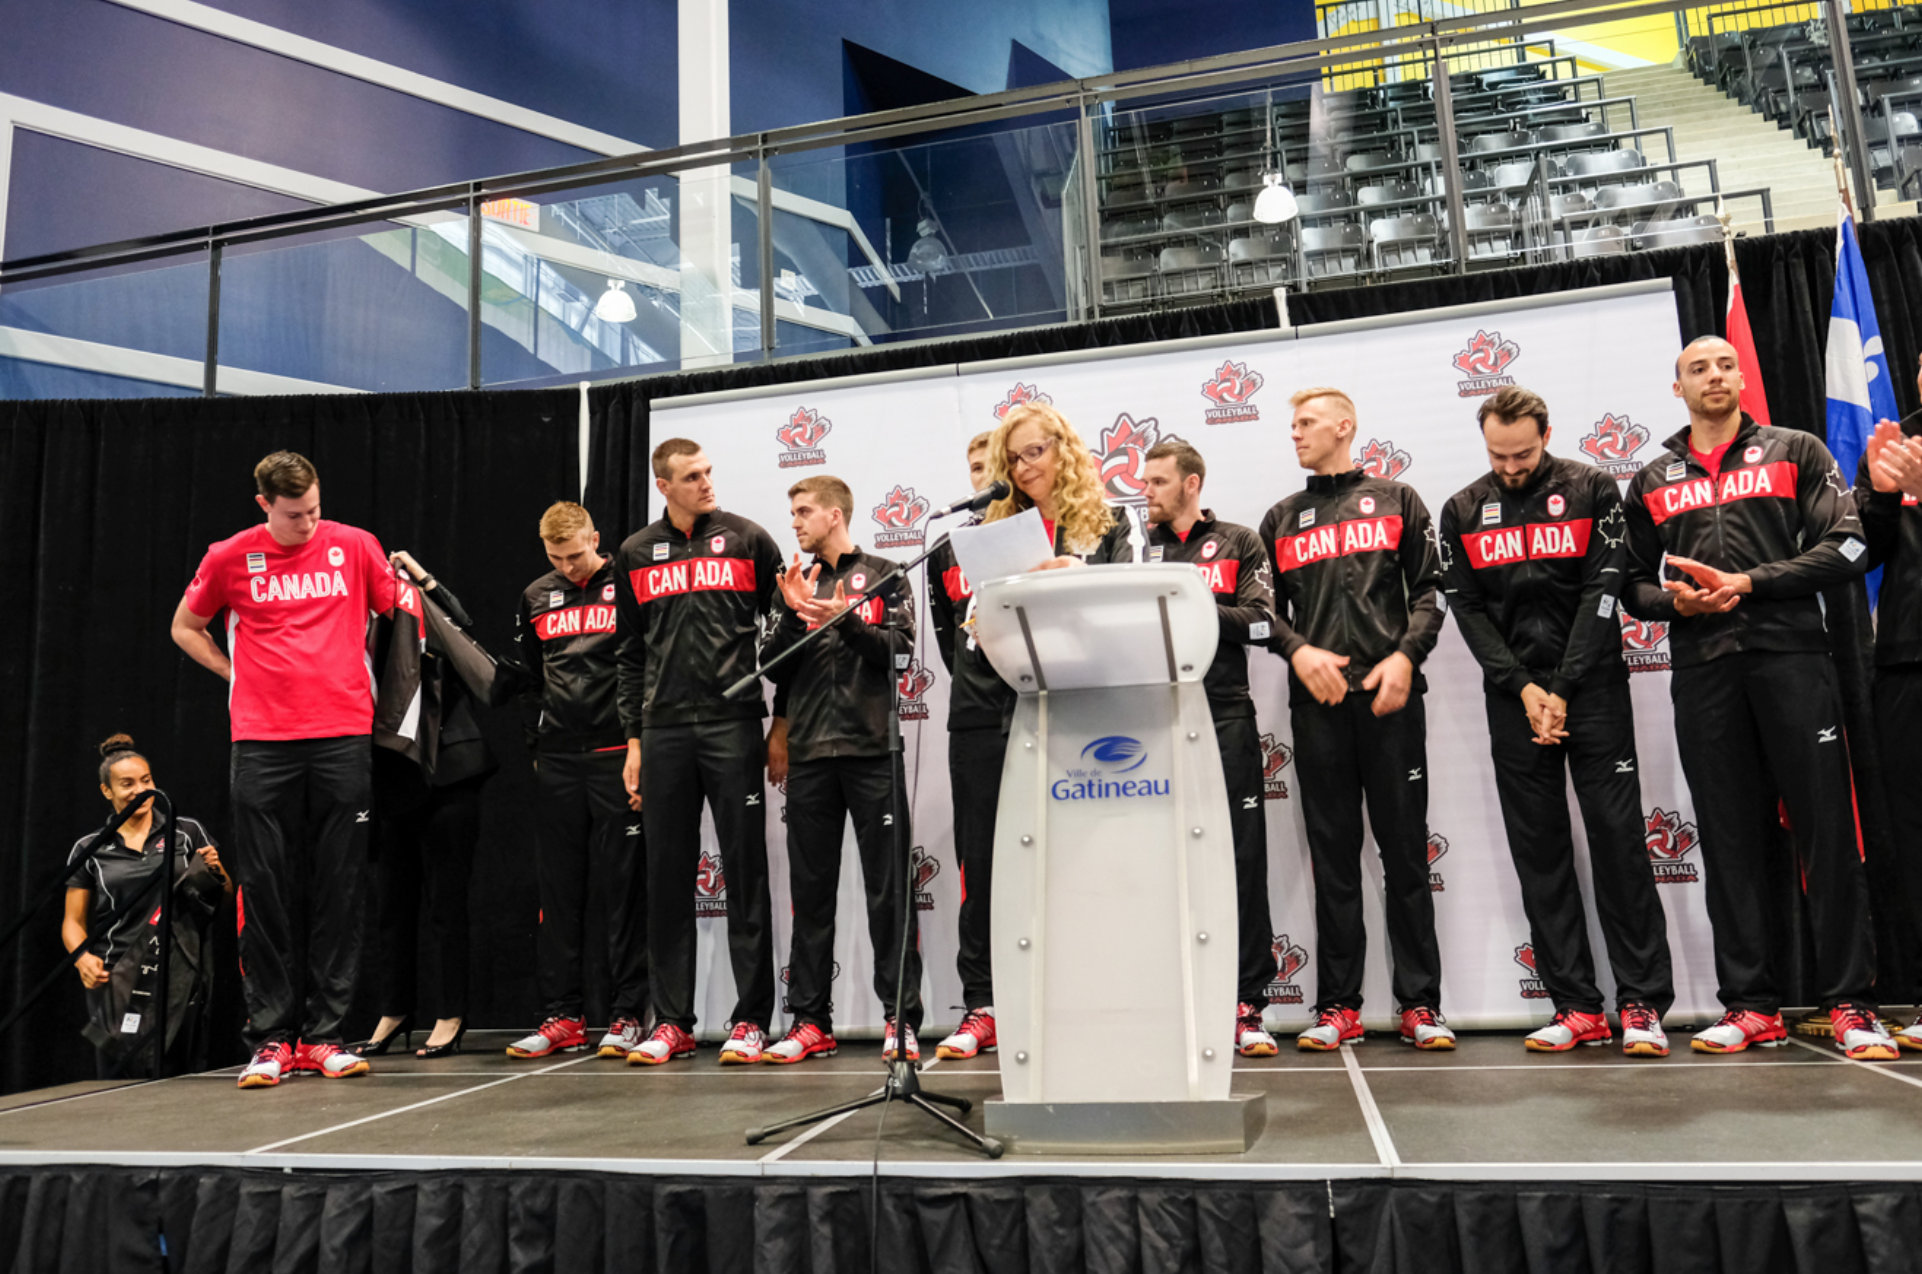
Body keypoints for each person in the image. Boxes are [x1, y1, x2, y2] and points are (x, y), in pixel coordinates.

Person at [1621, 336, 1892, 1060]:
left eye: (1724, 365)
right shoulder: (1651, 476)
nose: (1714, 375)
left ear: (1742, 376)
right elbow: (1630, 584)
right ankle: (1749, 1006)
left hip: (1793, 660)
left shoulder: (1795, 450)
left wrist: (1750, 583)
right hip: (1703, 671)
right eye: (1697, 369)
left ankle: (1851, 1003)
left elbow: (1850, 546)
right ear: (1677, 388)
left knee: (1827, 831)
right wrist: (1676, 603)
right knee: (1728, 837)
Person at [1437, 386, 1676, 1057]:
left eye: (1522, 454)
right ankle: (1576, 1007)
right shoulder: (1461, 509)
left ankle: (1641, 1003)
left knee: (1619, 843)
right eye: (1498, 456)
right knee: (1539, 854)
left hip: (1592, 689)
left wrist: (1564, 686)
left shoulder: (1593, 488)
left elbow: (1604, 590)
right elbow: (1467, 610)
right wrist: (1523, 688)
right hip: (1514, 700)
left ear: (1546, 435)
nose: (1511, 467)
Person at [170, 450, 396, 1088]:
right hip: (263, 743)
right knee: (266, 891)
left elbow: (400, 617)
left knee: (339, 888)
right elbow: (185, 626)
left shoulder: (355, 545)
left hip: (343, 736)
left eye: (315, 510)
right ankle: (271, 1039)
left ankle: (325, 1037)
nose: (308, 523)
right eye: (295, 515)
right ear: (264, 504)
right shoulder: (229, 556)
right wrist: (235, 674)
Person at [1258, 388, 1454, 1051]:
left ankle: (1420, 1005)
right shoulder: (1282, 518)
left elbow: (1432, 591)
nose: (1295, 433)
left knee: (1406, 856)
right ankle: (1339, 1006)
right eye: (1292, 425)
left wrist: (1405, 656)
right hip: (1317, 709)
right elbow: (1263, 611)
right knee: (1334, 860)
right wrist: (1297, 649)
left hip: (1390, 700)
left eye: (1307, 423)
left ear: (1345, 426)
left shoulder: (1398, 500)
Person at [615, 440, 782, 1066]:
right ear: (664, 486)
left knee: (745, 873)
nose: (707, 483)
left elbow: (787, 633)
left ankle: (751, 1021)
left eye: (709, 472)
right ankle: (672, 1023)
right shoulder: (635, 552)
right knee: (665, 879)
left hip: (732, 725)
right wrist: (634, 739)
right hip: (662, 733)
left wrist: (783, 722)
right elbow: (629, 654)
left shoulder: (749, 540)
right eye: (692, 476)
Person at [760, 477, 923, 1063]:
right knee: (810, 895)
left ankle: (899, 1020)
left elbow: (901, 654)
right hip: (809, 755)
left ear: (835, 515)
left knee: (889, 894)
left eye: (804, 511)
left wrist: (845, 620)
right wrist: (794, 615)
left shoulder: (885, 573)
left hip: (872, 751)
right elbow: (771, 666)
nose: (795, 522)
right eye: (792, 512)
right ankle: (810, 1021)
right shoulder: (793, 582)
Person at [1140, 439, 1282, 1058]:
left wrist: (1188, 604)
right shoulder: (1134, 549)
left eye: (1157, 482)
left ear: (1191, 484)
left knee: (1240, 861)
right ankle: (1173, 1003)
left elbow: (1262, 622)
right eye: (1145, 481)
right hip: (1149, 723)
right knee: (1159, 865)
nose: (1146, 491)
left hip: (1223, 715)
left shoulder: (1239, 541)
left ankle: (1247, 1004)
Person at [502, 502, 650, 1061]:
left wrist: (638, 743)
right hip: (560, 759)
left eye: (575, 555)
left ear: (595, 538)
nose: (567, 567)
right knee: (559, 894)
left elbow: (641, 664)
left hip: (617, 755)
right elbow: (529, 677)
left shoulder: (625, 585)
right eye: (555, 557)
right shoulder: (536, 595)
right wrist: (537, 745)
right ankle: (563, 1014)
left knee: (623, 890)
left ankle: (628, 1013)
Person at [357, 551, 499, 1060]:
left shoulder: (420, 608)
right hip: (390, 776)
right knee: (392, 907)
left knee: (446, 903)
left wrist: (422, 578)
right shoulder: (355, 619)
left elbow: (463, 628)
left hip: (448, 773)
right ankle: (395, 1009)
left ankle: (451, 1011)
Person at [64, 735, 229, 1077]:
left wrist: (217, 872)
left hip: (180, 972)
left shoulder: (187, 831)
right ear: (107, 791)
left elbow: (225, 897)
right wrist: (82, 958)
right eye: (127, 784)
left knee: (181, 1077)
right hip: (117, 975)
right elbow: (72, 921)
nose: (140, 790)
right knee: (119, 1082)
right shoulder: (89, 847)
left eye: (146, 780)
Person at [927, 432, 1014, 1061]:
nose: (984, 480)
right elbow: (947, 636)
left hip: (1041, 712)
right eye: (976, 469)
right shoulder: (946, 551)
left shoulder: (1044, 535)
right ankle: (982, 1004)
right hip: (976, 720)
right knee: (978, 866)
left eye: (993, 468)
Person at [1859, 354, 1922, 1051]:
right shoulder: (1897, 444)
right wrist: (1879, 497)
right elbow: (1862, 555)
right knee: (1913, 839)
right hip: (1904, 661)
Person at [981, 402, 1142, 566]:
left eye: (1032, 453)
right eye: (1011, 460)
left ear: (1062, 450)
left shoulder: (1116, 519)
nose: (1021, 468)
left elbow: (1134, 582)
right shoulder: (1005, 532)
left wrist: (1082, 575)